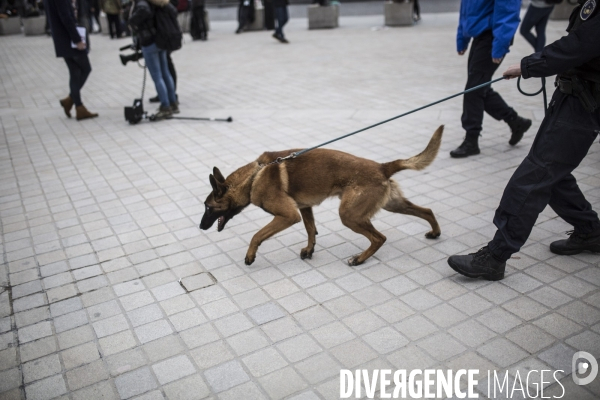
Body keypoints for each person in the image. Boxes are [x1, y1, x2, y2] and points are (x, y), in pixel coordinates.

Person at [448, 0, 600, 281]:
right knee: (552, 173)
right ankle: (590, 231)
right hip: (576, 95)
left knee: (535, 175)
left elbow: (583, 43)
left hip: (587, 99)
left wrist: (531, 64)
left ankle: (495, 256)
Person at [451, 0, 532, 158]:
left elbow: (508, 10)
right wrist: (462, 37)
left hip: (493, 36)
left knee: (473, 90)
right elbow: (466, 8)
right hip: (479, 35)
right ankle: (516, 122)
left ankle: (471, 140)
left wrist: (499, 46)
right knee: (479, 88)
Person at [44, 0, 98, 120]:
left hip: (62, 40)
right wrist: (77, 39)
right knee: (86, 68)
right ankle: (73, 101)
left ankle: (76, 105)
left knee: (74, 73)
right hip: (69, 39)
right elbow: (66, 17)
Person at [129, 0, 179, 120]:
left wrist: (131, 21)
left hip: (149, 42)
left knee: (157, 76)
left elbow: (143, 11)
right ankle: (173, 103)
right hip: (160, 40)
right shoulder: (158, 1)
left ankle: (166, 107)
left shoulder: (142, 3)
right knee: (165, 73)